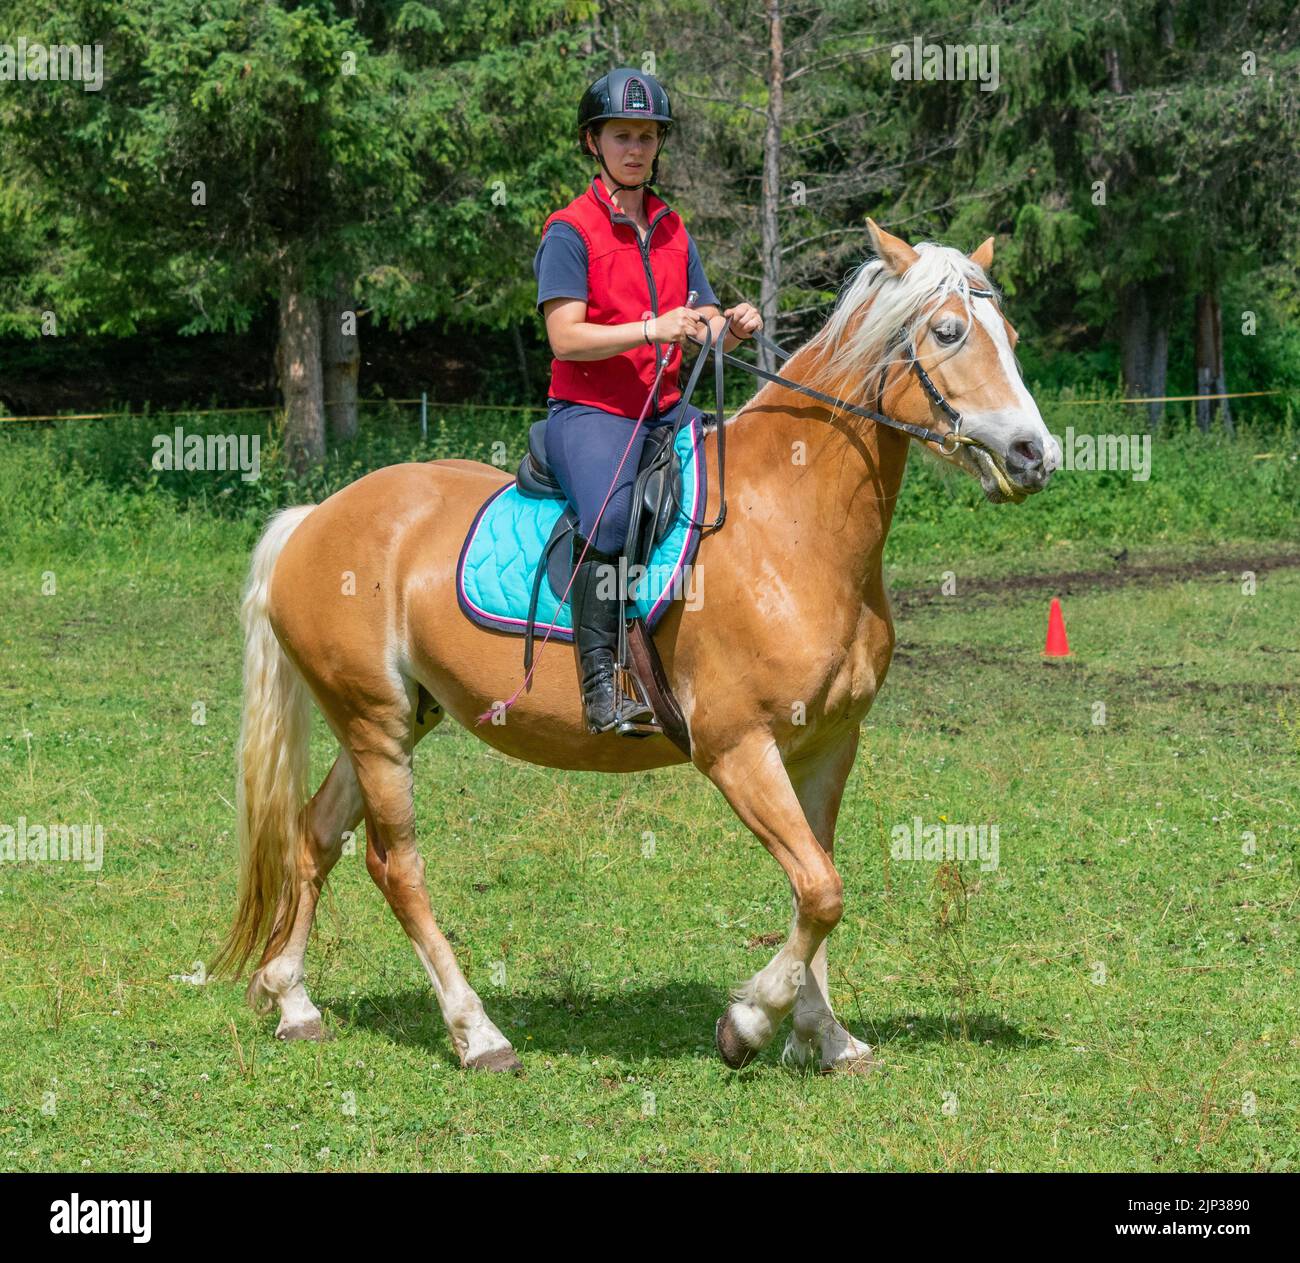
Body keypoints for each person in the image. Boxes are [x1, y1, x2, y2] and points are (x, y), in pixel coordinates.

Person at [533, 66, 763, 735]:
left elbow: (703, 315)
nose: (636, 148)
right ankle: (601, 689)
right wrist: (650, 328)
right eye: (621, 135)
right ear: (593, 143)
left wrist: (730, 324)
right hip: (591, 412)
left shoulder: (671, 227)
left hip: (664, 405)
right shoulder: (569, 231)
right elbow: (565, 337)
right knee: (609, 519)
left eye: (647, 136)